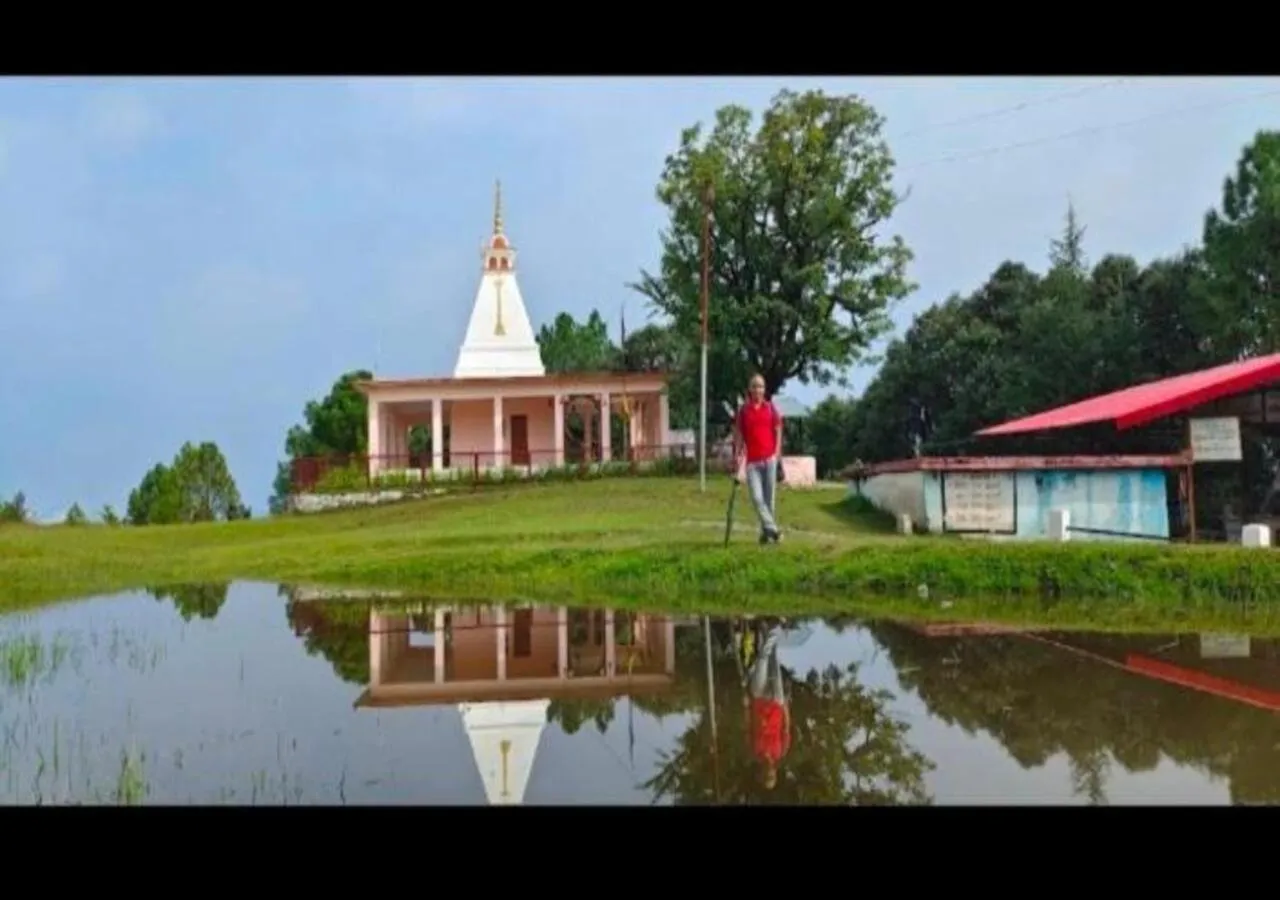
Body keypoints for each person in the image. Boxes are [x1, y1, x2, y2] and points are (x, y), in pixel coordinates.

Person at [733, 374, 783, 544]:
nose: (757, 390)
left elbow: (778, 429)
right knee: (757, 498)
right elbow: (739, 434)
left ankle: (766, 534)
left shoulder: (770, 408)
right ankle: (773, 529)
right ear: (750, 389)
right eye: (754, 386)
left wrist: (776, 452)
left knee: (769, 501)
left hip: (769, 459)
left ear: (764, 389)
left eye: (760, 386)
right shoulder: (744, 411)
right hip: (752, 462)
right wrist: (738, 453)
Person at [745, 617, 791, 791]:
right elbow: (786, 727)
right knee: (774, 661)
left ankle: (775, 627)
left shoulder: (753, 751)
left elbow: (748, 725)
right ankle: (768, 627)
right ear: (775, 773)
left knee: (762, 659)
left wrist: (746, 705)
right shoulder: (782, 751)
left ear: (761, 773)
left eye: (766, 776)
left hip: (758, 698)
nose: (769, 773)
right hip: (777, 702)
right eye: (771, 776)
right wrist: (785, 705)